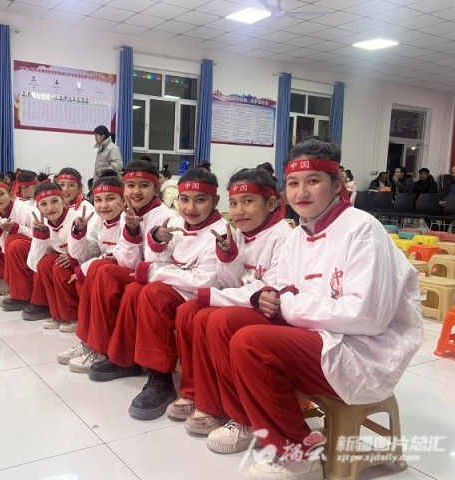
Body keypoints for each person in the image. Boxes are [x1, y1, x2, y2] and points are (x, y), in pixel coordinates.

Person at [215, 137, 422, 480]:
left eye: (313, 181)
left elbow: (366, 316)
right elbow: (283, 287)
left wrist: (287, 303)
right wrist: (270, 296)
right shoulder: (298, 234)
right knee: (225, 322)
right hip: (318, 333)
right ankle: (248, 420)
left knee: (250, 343)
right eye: (293, 183)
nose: (301, 193)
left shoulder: (362, 229)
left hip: (361, 349)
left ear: (336, 184)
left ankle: (299, 454)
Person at [170, 168, 291, 437]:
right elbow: (231, 282)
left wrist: (213, 296)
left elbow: (268, 293)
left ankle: (236, 413)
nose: (239, 211)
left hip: (272, 312)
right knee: (188, 311)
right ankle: (198, 394)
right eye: (234, 203)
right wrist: (228, 257)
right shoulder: (237, 234)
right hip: (243, 302)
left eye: (248, 202)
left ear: (271, 203)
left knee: (215, 318)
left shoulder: (282, 237)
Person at [126, 168, 230, 421]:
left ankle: (162, 377)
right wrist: (157, 240)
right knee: (144, 291)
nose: (190, 208)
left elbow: (204, 282)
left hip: (204, 297)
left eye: (200, 200)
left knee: (153, 292)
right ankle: (154, 373)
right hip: (176, 290)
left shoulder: (220, 231)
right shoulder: (174, 224)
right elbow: (157, 259)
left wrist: (154, 271)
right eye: (184, 199)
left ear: (215, 201)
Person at [81, 160, 177, 378]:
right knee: (98, 268)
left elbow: (159, 262)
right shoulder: (130, 213)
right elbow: (126, 261)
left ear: (156, 189)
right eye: (131, 185)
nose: (136, 191)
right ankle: (97, 345)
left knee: (107, 274)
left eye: (144, 185)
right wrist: (132, 231)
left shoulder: (165, 217)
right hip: (139, 273)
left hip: (160, 279)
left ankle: (115, 354)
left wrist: (135, 235)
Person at [59, 175, 125, 372]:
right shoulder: (97, 220)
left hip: (126, 271)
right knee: (85, 277)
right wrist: (78, 232)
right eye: (98, 199)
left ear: (123, 200)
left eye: (111, 198)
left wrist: (85, 269)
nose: (104, 205)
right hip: (106, 268)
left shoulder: (128, 220)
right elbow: (85, 254)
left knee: (95, 271)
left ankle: (99, 347)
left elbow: (122, 254)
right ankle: (88, 341)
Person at [26, 183, 84, 332]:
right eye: (43, 204)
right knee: (44, 263)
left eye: (54, 201)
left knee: (59, 266)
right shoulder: (42, 224)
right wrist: (41, 236)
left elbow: (92, 250)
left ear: (63, 200)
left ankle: (72, 316)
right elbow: (33, 263)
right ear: (38, 207)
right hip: (64, 262)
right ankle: (57, 315)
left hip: (82, 262)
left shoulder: (78, 218)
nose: (50, 208)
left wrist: (72, 257)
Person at [0, 180, 34, 297]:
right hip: (16, 247)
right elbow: (4, 248)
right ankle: (2, 281)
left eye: (1, 194)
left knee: (14, 242)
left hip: (39, 248)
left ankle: (19, 290)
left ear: (10, 195)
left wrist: (18, 228)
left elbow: (41, 236)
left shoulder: (24, 210)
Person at [0, 170, 40, 312]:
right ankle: (14, 288)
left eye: (30, 186)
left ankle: (23, 293)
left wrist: (18, 228)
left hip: (46, 243)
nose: (26, 190)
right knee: (8, 241)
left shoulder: (29, 206)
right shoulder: (12, 206)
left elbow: (41, 233)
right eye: (23, 187)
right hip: (32, 240)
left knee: (15, 244)